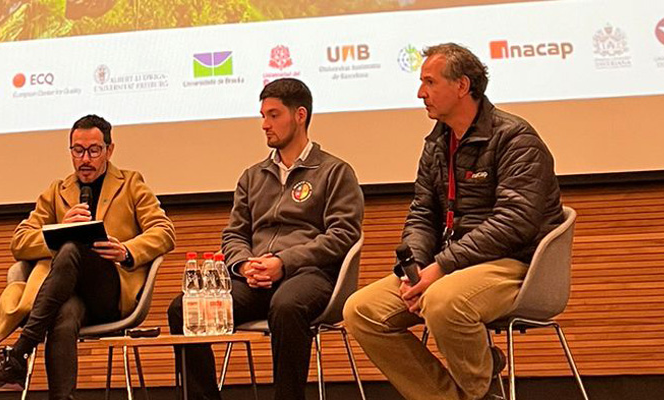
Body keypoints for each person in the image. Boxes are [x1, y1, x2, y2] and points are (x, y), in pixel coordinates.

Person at [343, 43, 565, 400]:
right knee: (361, 310)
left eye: (429, 82)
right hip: (449, 266)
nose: (420, 93)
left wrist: (441, 267)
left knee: (444, 301)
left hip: (513, 263)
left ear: (462, 86)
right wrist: (414, 269)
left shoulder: (516, 138)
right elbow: (422, 212)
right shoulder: (436, 144)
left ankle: (478, 386)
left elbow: (515, 222)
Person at [167, 78, 364, 400]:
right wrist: (243, 264)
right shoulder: (252, 176)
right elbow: (234, 233)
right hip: (254, 277)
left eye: (273, 115)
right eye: (262, 115)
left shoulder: (334, 171)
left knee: (286, 306)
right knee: (185, 308)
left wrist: (283, 263)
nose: (264, 125)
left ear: (300, 115)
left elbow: (343, 235)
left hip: (309, 275)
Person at [0, 114, 176, 400]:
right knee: (64, 314)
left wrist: (127, 251)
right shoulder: (57, 191)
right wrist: (59, 229)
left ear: (109, 151)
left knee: (73, 248)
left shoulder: (131, 183)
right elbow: (19, 241)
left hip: (111, 292)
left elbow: (164, 231)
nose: (84, 159)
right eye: (77, 150)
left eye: (93, 150)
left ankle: (20, 352)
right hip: (66, 294)